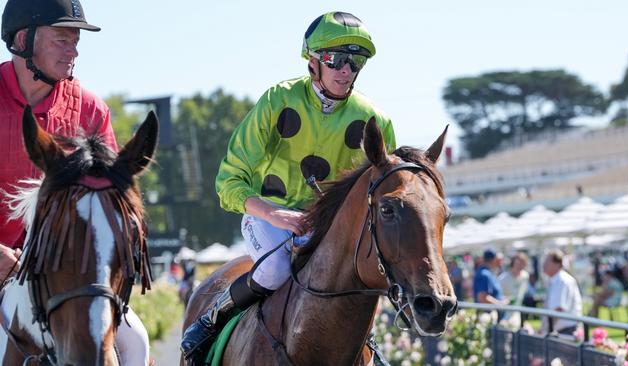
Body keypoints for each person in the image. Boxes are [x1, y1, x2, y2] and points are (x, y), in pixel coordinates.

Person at [180, 11, 396, 362]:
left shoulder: (375, 121)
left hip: (327, 228)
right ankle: (211, 319)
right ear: (313, 62)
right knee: (276, 269)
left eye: (355, 62)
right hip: (268, 218)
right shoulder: (277, 101)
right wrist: (272, 213)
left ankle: (367, 346)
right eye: (336, 59)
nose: (346, 70)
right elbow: (229, 181)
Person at [0, 1, 149, 364]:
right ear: (23, 39)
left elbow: (117, 201)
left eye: (76, 40)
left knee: (136, 345)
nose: (75, 50)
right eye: (62, 40)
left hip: (66, 273)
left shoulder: (91, 109)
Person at [541, 249, 583, 335]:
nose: (544, 265)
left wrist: (545, 329)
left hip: (565, 330)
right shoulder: (557, 279)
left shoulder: (561, 280)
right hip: (563, 329)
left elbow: (558, 309)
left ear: (557, 264)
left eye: (547, 262)